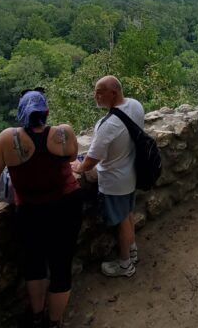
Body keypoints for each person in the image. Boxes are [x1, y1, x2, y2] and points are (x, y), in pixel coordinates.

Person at [0, 89, 81, 328]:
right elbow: (72, 158)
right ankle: (54, 322)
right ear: (46, 112)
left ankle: (37, 316)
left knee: (35, 265)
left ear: (21, 113)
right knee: (61, 266)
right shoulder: (64, 132)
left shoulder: (8, 138)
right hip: (66, 206)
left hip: (31, 211)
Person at [71, 75, 144, 278]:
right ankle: (132, 251)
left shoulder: (108, 125)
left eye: (99, 92)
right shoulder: (135, 105)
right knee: (128, 214)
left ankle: (125, 265)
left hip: (115, 181)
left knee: (121, 222)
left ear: (113, 93)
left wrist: (78, 167)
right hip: (131, 172)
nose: (95, 96)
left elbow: (91, 160)